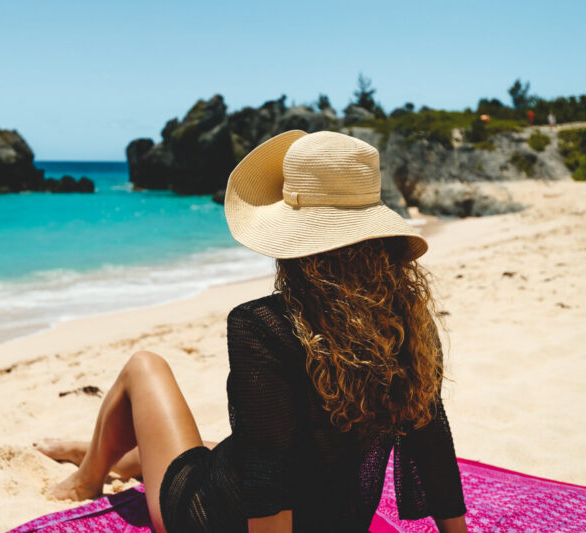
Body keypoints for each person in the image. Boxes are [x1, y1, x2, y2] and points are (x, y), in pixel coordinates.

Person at [34, 131, 468, 533]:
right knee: (240, 444)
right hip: (336, 517)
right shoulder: (407, 322)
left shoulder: (261, 326)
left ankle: (86, 478)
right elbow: (432, 444)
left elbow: (267, 482)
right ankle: (105, 456)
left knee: (144, 367)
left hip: (209, 518)